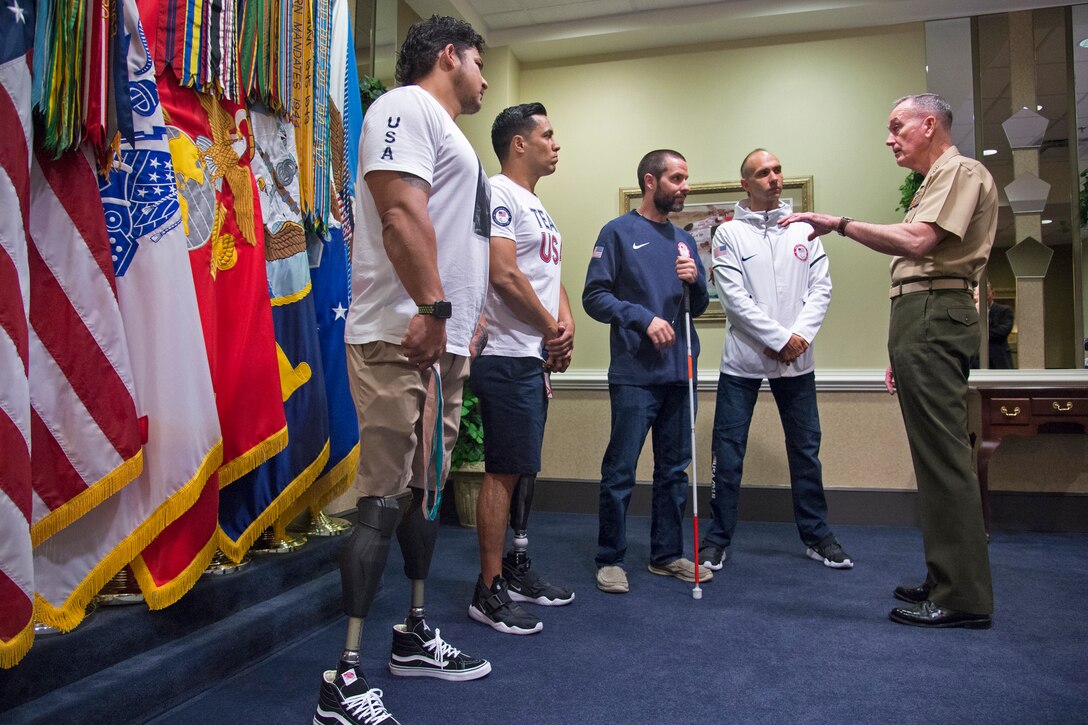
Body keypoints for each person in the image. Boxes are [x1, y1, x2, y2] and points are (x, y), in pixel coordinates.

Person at [316, 15, 492, 725]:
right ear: (449, 55)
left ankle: (414, 632)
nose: (482, 75)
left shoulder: (452, 134)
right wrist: (435, 306)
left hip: (440, 338)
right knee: (384, 498)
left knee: (424, 492)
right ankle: (341, 678)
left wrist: (460, 322)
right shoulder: (404, 106)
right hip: (402, 332)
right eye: (478, 60)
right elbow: (396, 212)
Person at [781, 92, 995, 629]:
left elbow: (920, 243)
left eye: (898, 125)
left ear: (930, 124)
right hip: (922, 319)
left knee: (945, 461)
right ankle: (947, 576)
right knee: (934, 460)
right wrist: (900, 348)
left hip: (933, 314)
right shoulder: (935, 180)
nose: (890, 136)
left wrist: (840, 223)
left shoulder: (961, 171)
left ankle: (963, 597)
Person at [697, 149, 852, 572]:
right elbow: (733, 299)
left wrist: (796, 339)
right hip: (743, 362)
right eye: (762, 173)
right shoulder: (729, 234)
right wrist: (779, 338)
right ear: (746, 183)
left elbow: (821, 289)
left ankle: (818, 536)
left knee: (806, 450)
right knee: (727, 453)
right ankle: (717, 539)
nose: (774, 178)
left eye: (778, 170)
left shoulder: (804, 231)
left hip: (797, 363)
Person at [583, 149, 714, 594]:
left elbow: (698, 306)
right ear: (650, 181)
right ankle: (610, 558)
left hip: (682, 373)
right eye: (677, 178)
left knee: (674, 470)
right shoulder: (617, 233)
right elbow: (594, 297)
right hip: (636, 374)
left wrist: (695, 279)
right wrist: (642, 318)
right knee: (621, 469)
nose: (685, 186)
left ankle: (666, 554)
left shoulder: (683, 240)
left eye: (686, 178)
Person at [468, 103, 576, 635]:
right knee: (503, 470)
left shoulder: (537, 206)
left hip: (531, 358)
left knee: (522, 467)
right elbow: (504, 275)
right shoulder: (498, 192)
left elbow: (549, 275)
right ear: (519, 143)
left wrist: (566, 321)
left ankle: (514, 569)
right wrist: (549, 330)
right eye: (548, 135)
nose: (557, 144)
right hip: (505, 355)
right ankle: (487, 591)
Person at [976, 282, 1014, 369]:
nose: (981, 297)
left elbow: (1003, 331)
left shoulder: (1004, 310)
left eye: (985, 294)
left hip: (999, 358)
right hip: (977, 360)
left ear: (992, 294)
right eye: (977, 294)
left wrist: (979, 334)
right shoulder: (972, 312)